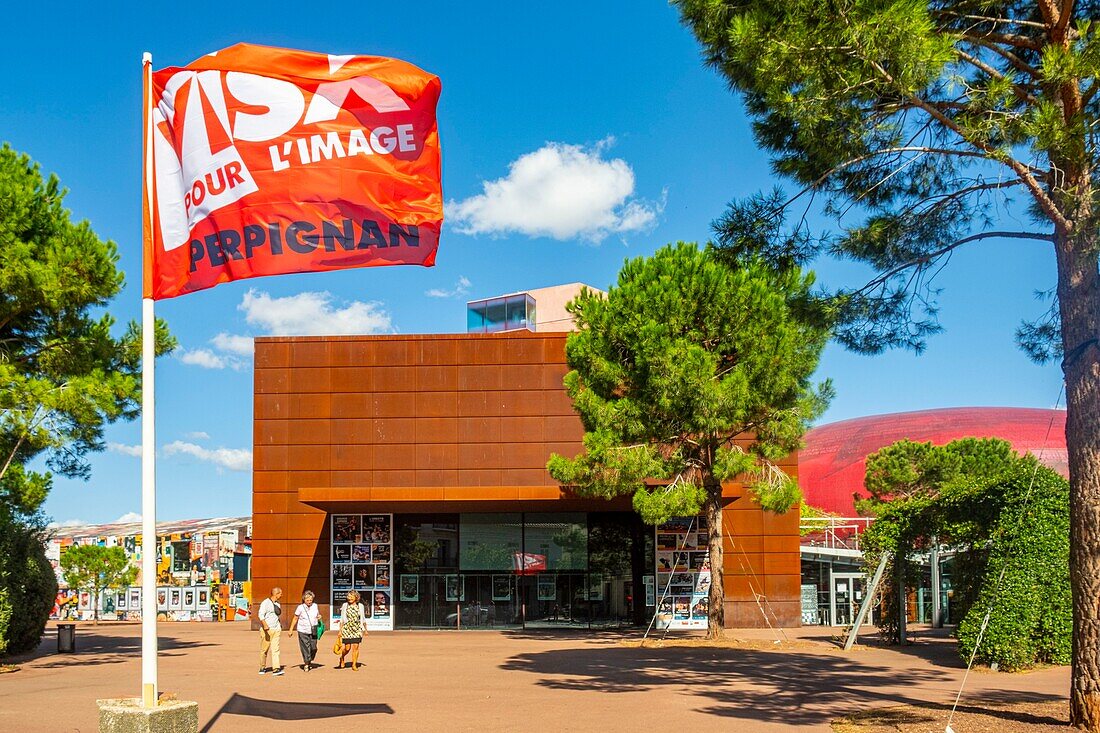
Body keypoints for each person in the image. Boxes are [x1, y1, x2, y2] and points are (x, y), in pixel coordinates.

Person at [337, 589, 367, 671]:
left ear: (356, 597)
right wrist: (340, 630)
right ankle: (342, 658)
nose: (349, 598)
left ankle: (354, 664)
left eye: (351, 596)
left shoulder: (360, 606)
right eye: (348, 596)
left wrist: (365, 629)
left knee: (356, 647)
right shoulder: (345, 605)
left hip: (357, 628)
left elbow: (363, 618)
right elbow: (342, 619)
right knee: (347, 648)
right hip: (347, 628)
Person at [257, 587, 285, 676]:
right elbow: (260, 614)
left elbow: (276, 616)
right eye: (280, 594)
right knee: (264, 649)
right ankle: (262, 667)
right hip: (267, 630)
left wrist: (279, 625)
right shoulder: (265, 603)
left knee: (275, 650)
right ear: (276, 594)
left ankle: (276, 669)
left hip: (276, 629)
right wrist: (265, 625)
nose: (282, 595)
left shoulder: (277, 604)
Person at [292, 590, 321, 672]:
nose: (309, 602)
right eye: (307, 600)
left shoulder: (315, 606)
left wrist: (319, 617)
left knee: (313, 647)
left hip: (313, 629)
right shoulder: (300, 607)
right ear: (304, 600)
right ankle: (306, 664)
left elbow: (317, 615)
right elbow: (295, 618)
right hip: (302, 630)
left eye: (311, 600)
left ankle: (309, 659)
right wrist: (291, 629)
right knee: (305, 647)